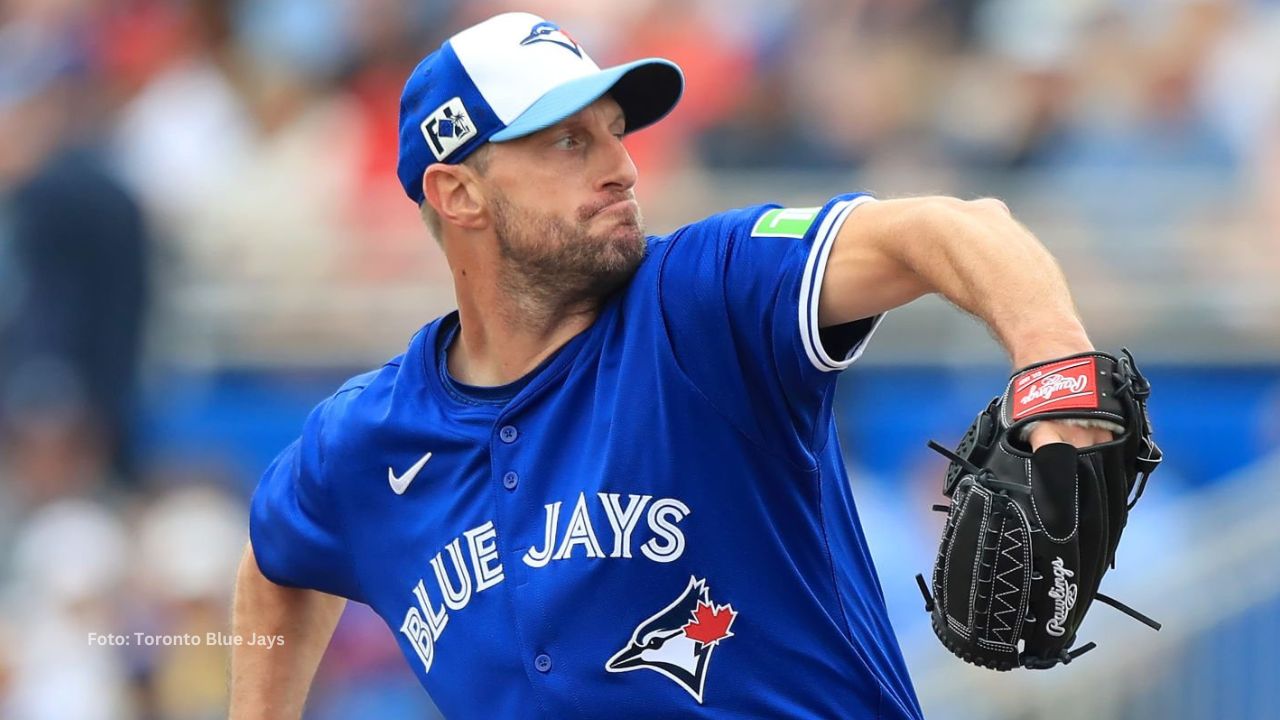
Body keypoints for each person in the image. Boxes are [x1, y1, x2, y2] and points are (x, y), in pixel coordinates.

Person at [230, 12, 1111, 719]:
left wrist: (1056, 368)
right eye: (567, 143)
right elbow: (276, 567)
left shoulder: (700, 299)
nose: (620, 166)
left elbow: (955, 228)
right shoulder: (365, 441)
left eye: (615, 131)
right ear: (458, 193)